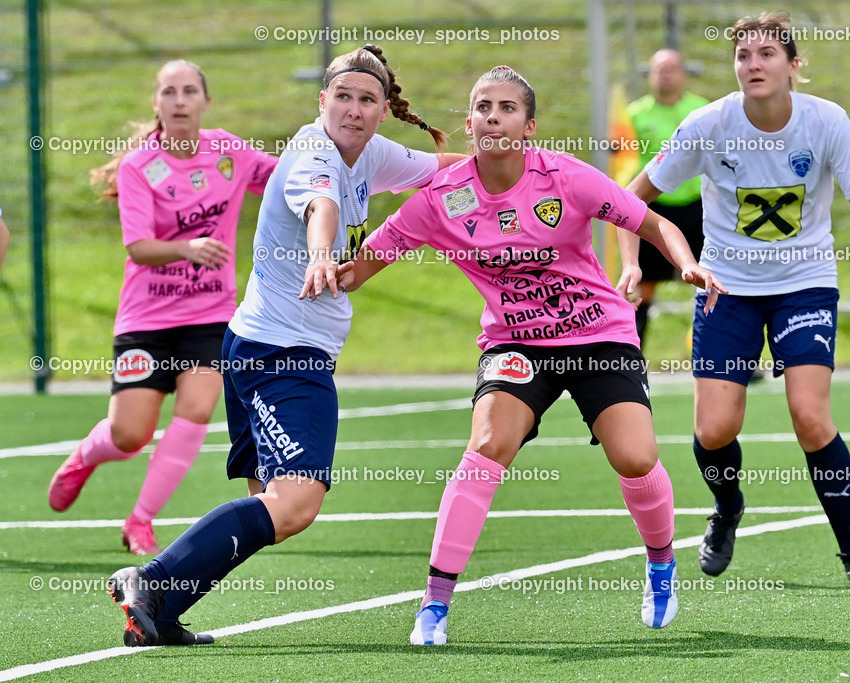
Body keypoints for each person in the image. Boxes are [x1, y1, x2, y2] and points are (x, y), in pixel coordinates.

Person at [340, 65, 725, 646]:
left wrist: (686, 261)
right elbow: (358, 269)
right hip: (516, 343)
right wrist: (317, 250)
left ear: (528, 125)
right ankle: (435, 605)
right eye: (482, 107)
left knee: (635, 458)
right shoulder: (440, 199)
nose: (493, 116)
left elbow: (655, 223)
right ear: (469, 123)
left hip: (598, 335)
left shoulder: (567, 178)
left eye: (506, 108)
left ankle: (662, 565)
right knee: (488, 444)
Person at [107, 44, 459, 647]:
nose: (352, 109)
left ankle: (158, 610)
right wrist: (322, 254)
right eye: (342, 97)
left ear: (382, 111)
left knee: (273, 504)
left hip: (260, 343)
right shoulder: (312, 152)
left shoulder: (373, 153)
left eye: (366, 100)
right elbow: (321, 205)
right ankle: (152, 581)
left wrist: (516, 161)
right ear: (321, 101)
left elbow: (442, 169)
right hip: (282, 353)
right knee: (294, 503)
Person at [618, 10, 850, 587]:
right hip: (727, 287)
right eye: (743, 56)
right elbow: (630, 199)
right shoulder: (708, 123)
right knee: (714, 431)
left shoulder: (827, 122)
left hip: (805, 283)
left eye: (767, 55)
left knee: (810, 416)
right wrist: (631, 262)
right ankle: (727, 509)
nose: (753, 65)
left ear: (793, 66)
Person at [47, 60, 278, 555]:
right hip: (146, 318)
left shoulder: (229, 152)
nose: (179, 100)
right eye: (169, 92)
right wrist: (187, 248)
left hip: (210, 312)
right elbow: (139, 247)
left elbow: (285, 180)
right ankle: (85, 457)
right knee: (131, 434)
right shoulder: (139, 166)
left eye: (189, 90)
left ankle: (140, 520)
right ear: (156, 104)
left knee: (197, 407)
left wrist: (337, 162)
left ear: (205, 102)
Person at [623, 49, 709, 348]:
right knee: (642, 288)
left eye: (673, 68)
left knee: (713, 279)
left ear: (684, 74)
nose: (666, 74)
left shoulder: (701, 110)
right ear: (650, 75)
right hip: (653, 209)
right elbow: (622, 161)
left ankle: (733, 359)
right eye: (659, 69)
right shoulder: (634, 115)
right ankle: (630, 359)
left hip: (697, 207)